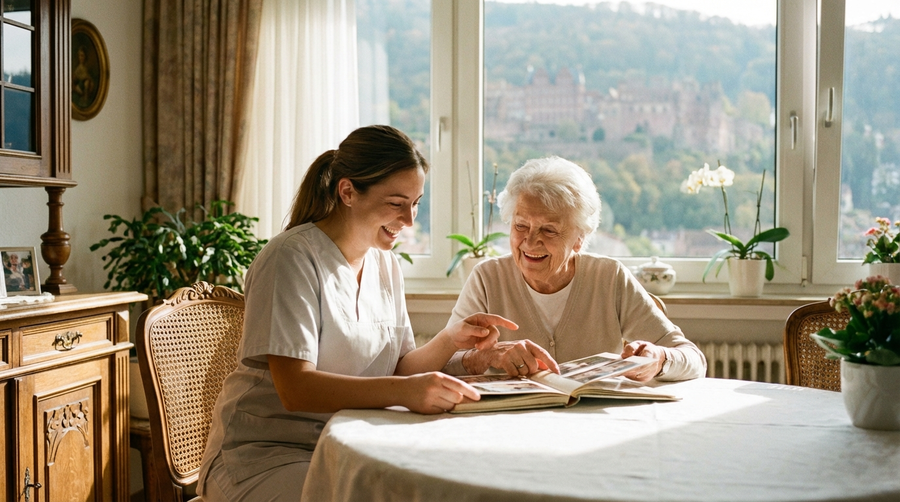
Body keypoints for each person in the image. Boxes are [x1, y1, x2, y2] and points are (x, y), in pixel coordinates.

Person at [197, 125, 516, 501]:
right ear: (347, 192)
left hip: (348, 447)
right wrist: (406, 392)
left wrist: (451, 339)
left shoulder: (385, 264)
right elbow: (296, 389)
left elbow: (399, 368)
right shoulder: (290, 258)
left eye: (416, 203)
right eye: (396, 204)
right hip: (267, 455)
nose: (410, 220)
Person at [443, 156, 706, 382]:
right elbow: (442, 362)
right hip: (512, 420)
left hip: (596, 420)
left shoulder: (609, 278)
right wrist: (484, 357)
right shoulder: (487, 278)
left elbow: (694, 359)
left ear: (580, 238)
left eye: (549, 230)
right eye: (520, 226)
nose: (530, 241)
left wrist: (660, 359)